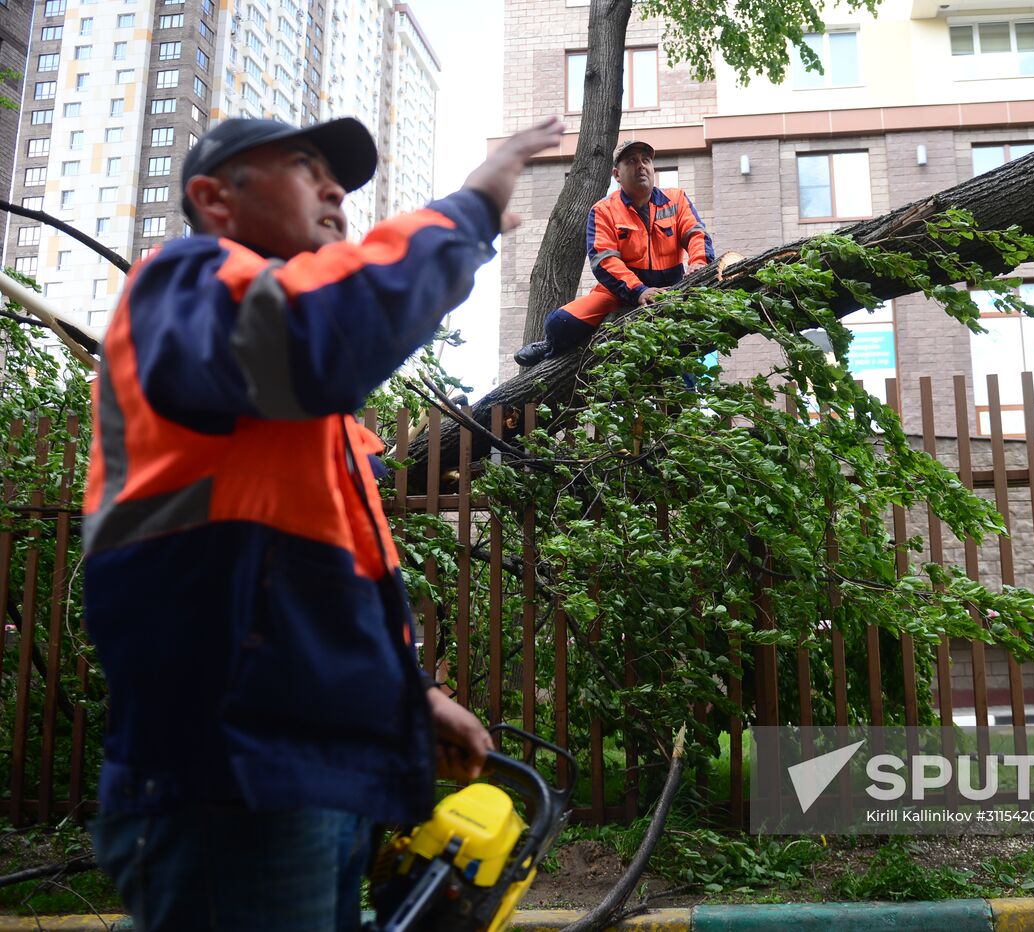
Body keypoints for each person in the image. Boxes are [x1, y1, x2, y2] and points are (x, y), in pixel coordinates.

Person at [82, 112, 564, 931]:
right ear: (214, 198)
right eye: (306, 165)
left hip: (298, 779)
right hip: (234, 783)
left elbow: (304, 596)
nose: (337, 188)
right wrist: (469, 208)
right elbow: (316, 339)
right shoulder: (182, 285)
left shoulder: (295, 410)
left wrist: (412, 697)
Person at [513, 138, 714, 366]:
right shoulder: (603, 210)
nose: (641, 166)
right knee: (559, 323)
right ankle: (551, 347)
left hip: (671, 287)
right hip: (617, 293)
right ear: (617, 175)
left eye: (645, 160)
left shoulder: (676, 199)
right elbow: (604, 261)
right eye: (632, 161)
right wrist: (639, 291)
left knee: (681, 352)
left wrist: (699, 264)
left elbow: (696, 233)